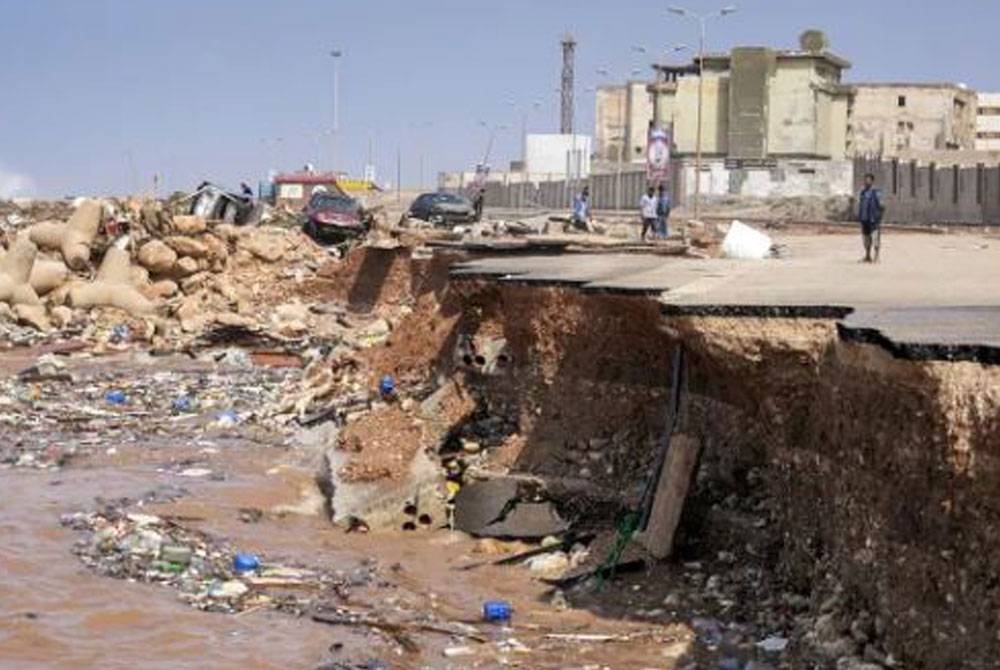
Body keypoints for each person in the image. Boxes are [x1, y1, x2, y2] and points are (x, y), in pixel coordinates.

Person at [857, 172, 884, 262]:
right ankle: (867, 256)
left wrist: (879, 217)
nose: (866, 181)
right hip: (865, 219)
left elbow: (882, 205)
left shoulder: (876, 192)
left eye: (868, 180)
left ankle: (876, 256)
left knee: (875, 238)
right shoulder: (863, 192)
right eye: (865, 180)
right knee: (866, 239)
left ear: (872, 181)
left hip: (873, 220)